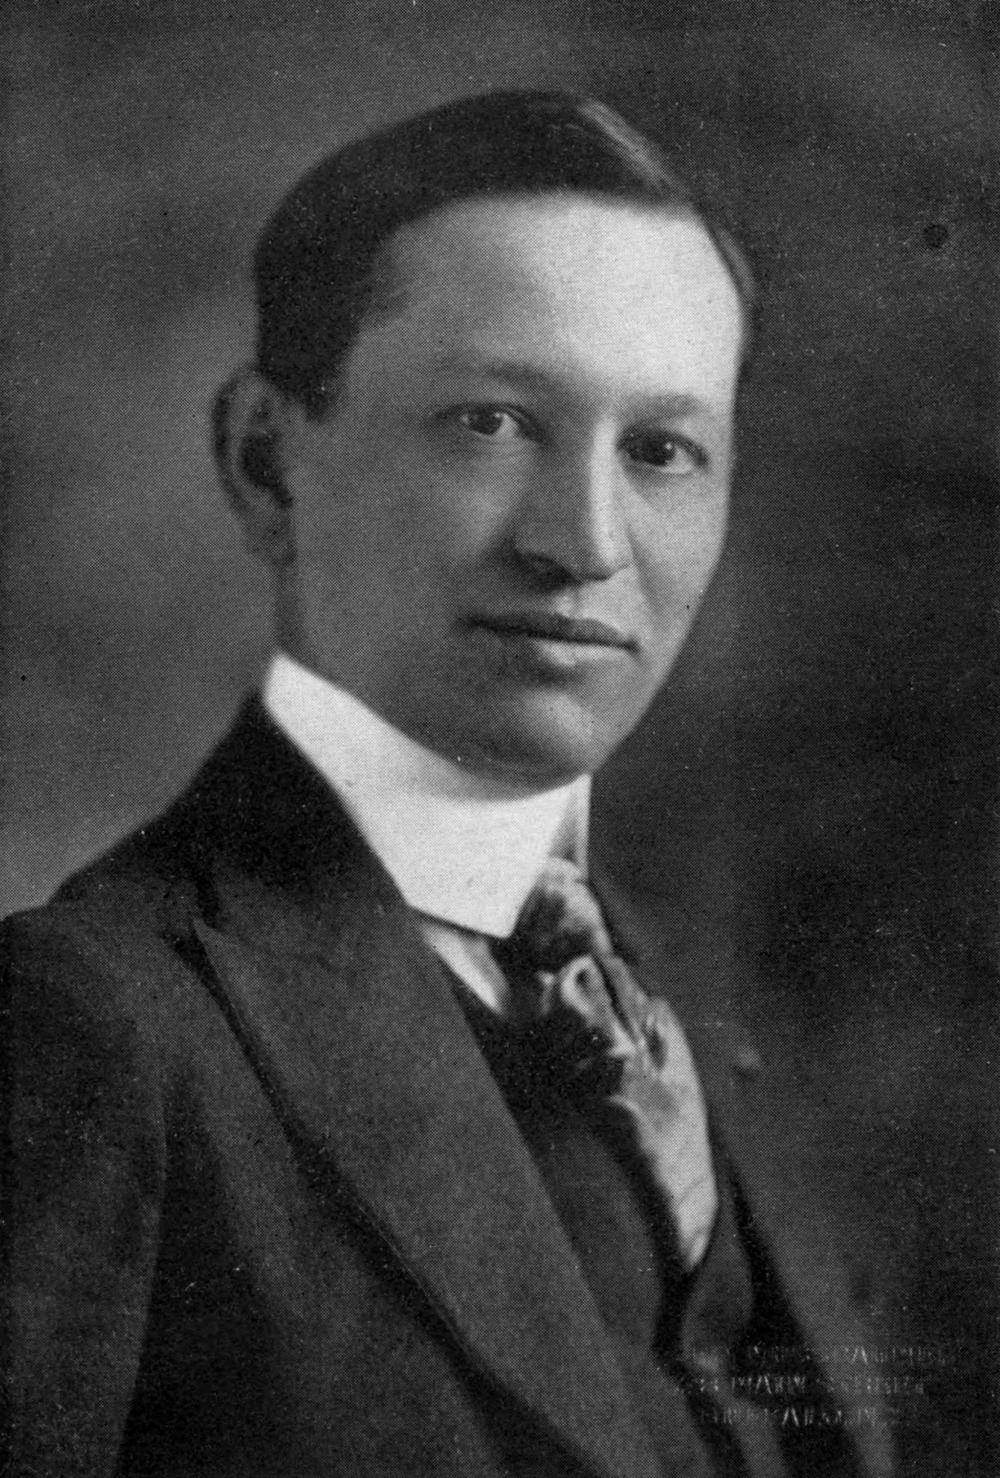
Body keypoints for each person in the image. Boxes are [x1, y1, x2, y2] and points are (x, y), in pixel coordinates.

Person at [1, 91, 895, 1478]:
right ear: (265, 462)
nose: (584, 544)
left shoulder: (700, 1017)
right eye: (491, 421)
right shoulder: (99, 1024)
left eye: (662, 450)